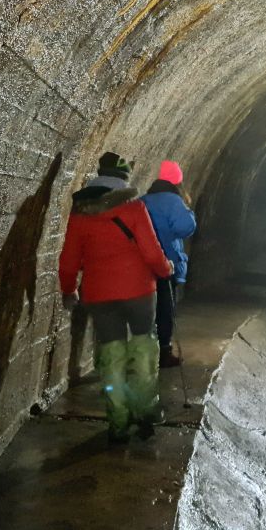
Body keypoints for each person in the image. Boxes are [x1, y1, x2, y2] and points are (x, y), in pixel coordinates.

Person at [59, 151, 173, 442]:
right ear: (123, 179)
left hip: (99, 295)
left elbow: (69, 259)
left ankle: (118, 421)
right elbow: (151, 252)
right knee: (143, 348)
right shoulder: (134, 209)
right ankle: (145, 411)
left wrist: (69, 288)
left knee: (112, 355)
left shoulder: (80, 213)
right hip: (138, 292)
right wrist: (165, 269)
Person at [142, 160, 197, 368]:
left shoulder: (144, 200)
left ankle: (144, 350)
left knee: (148, 309)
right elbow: (185, 227)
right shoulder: (174, 202)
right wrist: (188, 211)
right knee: (165, 308)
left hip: (145, 264)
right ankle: (163, 352)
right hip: (167, 264)